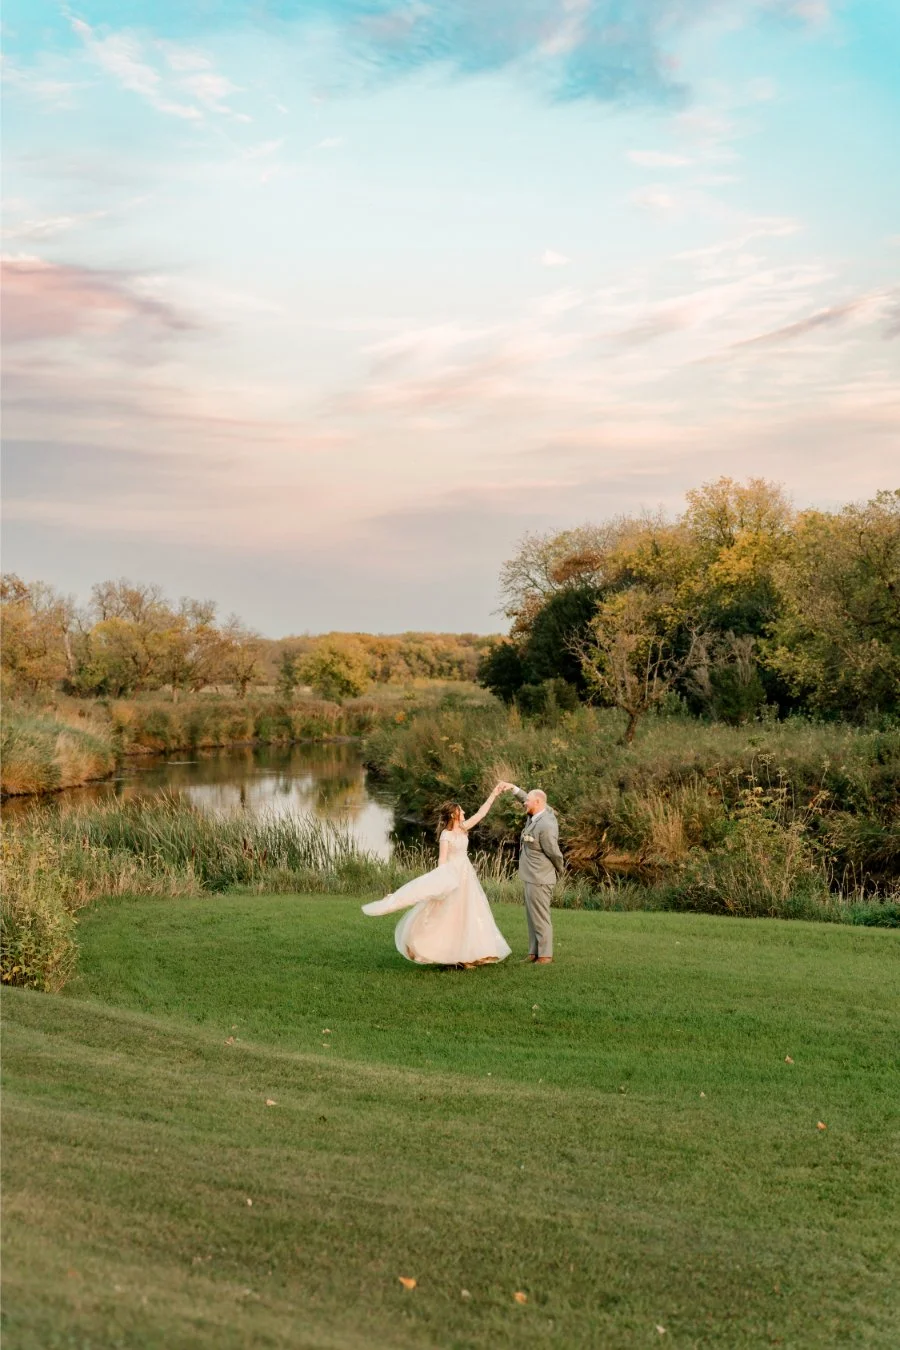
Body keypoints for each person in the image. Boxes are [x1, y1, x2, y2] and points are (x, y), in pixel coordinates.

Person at [361, 784, 512, 967]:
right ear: (453, 815)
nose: (463, 811)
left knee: (469, 913)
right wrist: (441, 881)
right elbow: (442, 861)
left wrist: (494, 794)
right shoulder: (446, 836)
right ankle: (442, 952)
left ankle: (470, 955)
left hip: (466, 877)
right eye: (460, 810)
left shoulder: (464, 829)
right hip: (452, 876)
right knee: (446, 914)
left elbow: (481, 814)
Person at [500, 783, 564, 964]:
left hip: (540, 877)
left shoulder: (546, 824)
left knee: (541, 917)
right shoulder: (537, 812)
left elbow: (553, 852)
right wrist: (513, 789)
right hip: (530, 876)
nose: (524, 803)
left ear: (537, 802)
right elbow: (526, 798)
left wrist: (559, 869)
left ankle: (545, 955)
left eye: (527, 801)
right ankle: (533, 952)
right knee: (531, 916)